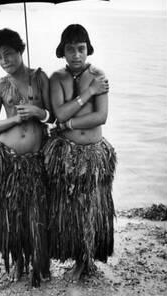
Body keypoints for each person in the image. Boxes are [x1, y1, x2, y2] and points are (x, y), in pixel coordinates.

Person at [0, 28, 52, 287]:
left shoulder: (39, 79)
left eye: (8, 54)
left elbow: (54, 115)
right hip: (8, 159)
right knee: (13, 215)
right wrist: (16, 118)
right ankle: (17, 262)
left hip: (34, 160)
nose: (4, 61)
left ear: (21, 50)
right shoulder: (0, 86)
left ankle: (38, 263)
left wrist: (38, 112)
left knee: (35, 213)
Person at [44, 24, 117, 281]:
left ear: (88, 49)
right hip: (67, 153)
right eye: (71, 49)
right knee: (70, 209)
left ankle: (87, 260)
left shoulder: (99, 75)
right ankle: (76, 257)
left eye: (81, 49)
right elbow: (58, 114)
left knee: (91, 208)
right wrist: (89, 92)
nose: (76, 55)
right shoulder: (57, 78)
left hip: (94, 154)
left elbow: (101, 117)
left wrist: (69, 124)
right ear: (62, 51)